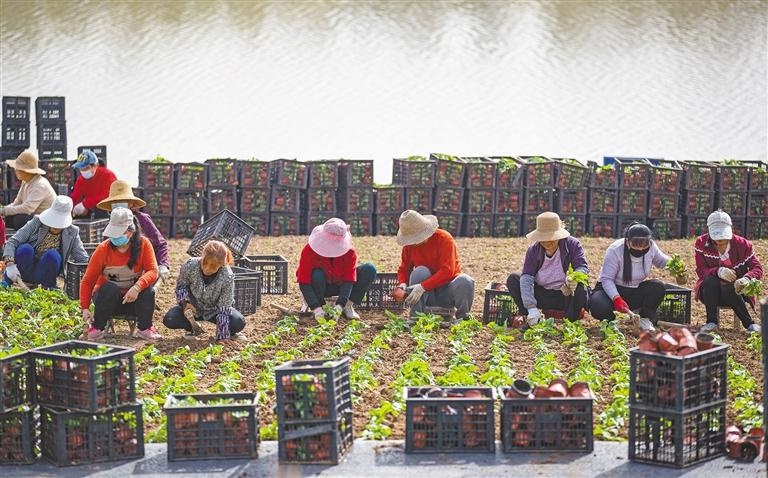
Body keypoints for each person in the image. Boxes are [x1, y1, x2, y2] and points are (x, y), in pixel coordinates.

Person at [79, 208, 161, 341]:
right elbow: (88, 281)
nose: (115, 238)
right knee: (109, 288)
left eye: (119, 233)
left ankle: (145, 328)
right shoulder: (103, 250)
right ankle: (98, 328)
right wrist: (85, 307)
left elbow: (153, 271)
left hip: (133, 301)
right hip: (109, 302)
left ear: (130, 232)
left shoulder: (144, 244)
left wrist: (137, 287)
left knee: (148, 291)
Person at [589, 223, 685, 331]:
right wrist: (616, 298)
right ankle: (609, 321)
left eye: (644, 244)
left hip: (634, 290)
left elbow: (662, 261)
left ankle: (644, 318)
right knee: (598, 304)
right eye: (635, 244)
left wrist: (677, 267)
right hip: (609, 290)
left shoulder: (652, 247)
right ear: (627, 241)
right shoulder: (615, 250)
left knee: (657, 287)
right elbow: (607, 279)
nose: (640, 249)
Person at [394, 210, 475, 326]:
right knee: (420, 272)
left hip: (446, 293)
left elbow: (448, 271)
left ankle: (463, 319)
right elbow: (404, 268)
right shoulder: (409, 246)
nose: (415, 242)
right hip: (427, 297)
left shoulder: (444, 239)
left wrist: (423, 286)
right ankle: (416, 317)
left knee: (465, 281)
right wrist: (402, 284)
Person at [506, 212, 589, 325]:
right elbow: (527, 277)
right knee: (514, 279)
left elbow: (582, 267)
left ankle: (571, 322)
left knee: (581, 284)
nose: (547, 241)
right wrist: (531, 307)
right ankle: (530, 318)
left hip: (566, 295)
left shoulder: (572, 245)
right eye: (544, 238)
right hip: (542, 295)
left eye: (552, 237)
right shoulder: (533, 250)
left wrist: (574, 278)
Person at [695, 210, 763, 333]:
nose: (720, 240)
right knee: (710, 280)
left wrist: (746, 279)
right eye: (717, 237)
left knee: (729, 287)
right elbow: (701, 270)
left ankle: (749, 324)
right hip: (711, 295)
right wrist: (718, 271)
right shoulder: (701, 243)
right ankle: (711, 322)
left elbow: (757, 268)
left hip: (737, 295)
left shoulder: (743, 245)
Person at [295, 218, 377, 320]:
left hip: (340, 286)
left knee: (369, 269)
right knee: (316, 274)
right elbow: (303, 281)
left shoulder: (349, 251)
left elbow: (348, 280)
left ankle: (348, 306)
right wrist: (316, 307)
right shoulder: (309, 250)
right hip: (321, 287)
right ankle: (321, 307)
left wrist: (341, 305)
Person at [163, 240, 245, 341]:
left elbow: (224, 307)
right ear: (202, 256)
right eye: (205, 262)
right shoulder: (190, 265)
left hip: (215, 311)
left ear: (221, 265)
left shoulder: (227, 276)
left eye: (213, 266)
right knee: (170, 319)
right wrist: (185, 303)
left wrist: (222, 337)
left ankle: (230, 333)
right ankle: (193, 327)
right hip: (193, 309)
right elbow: (181, 286)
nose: (207, 268)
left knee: (238, 322)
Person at [1, 195, 88, 289]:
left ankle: (48, 287)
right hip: (24, 268)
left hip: (45, 273)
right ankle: (8, 281)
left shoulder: (72, 232)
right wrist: (10, 264)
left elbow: (81, 258)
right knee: (25, 249)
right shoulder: (37, 222)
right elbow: (13, 241)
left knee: (52, 255)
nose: (55, 226)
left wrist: (90, 274)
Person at [96, 180, 171, 283]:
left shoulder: (143, 220)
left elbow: (160, 244)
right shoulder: (111, 225)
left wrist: (162, 264)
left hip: (142, 271)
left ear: (131, 203)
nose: (118, 205)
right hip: (118, 274)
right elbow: (106, 250)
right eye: (115, 202)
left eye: (122, 201)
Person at [0, 150, 56, 229]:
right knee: (8, 217)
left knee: (20, 219)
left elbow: (27, 209)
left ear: (26, 171)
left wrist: (4, 210)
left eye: (17, 168)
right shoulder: (25, 182)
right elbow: (17, 202)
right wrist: (3, 210)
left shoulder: (40, 185)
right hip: (36, 217)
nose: (15, 170)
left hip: (48, 222)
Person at [70, 149, 117, 219]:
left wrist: (85, 204)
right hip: (90, 210)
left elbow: (107, 196)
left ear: (95, 165)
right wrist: (70, 208)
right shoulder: (81, 180)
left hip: (108, 210)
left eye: (86, 168)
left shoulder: (108, 175)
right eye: (81, 168)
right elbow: (75, 197)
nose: (83, 171)